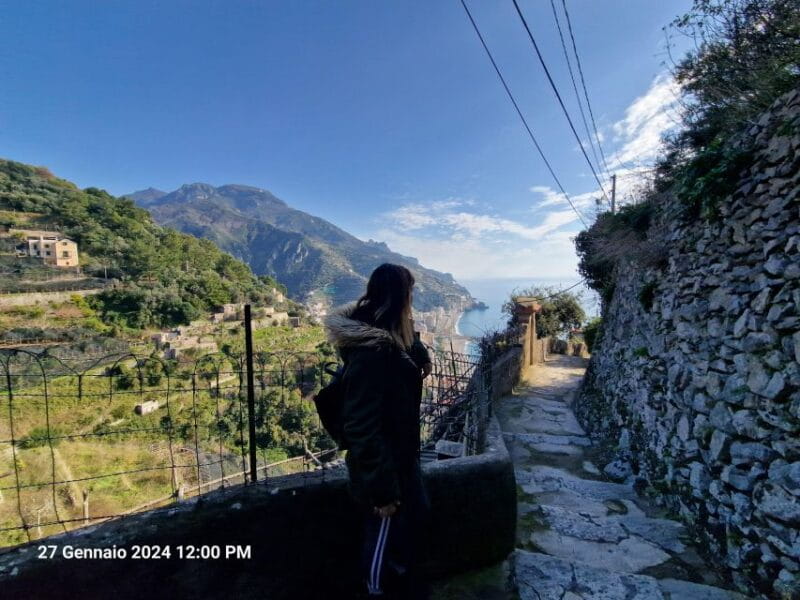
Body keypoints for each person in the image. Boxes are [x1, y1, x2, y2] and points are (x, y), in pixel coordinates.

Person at [324, 263, 433, 599]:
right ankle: (376, 592)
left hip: (401, 458)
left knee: (414, 524)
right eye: (410, 295)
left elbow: (409, 355)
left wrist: (415, 343)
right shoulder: (373, 354)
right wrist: (383, 492)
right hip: (383, 469)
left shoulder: (388, 337)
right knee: (383, 539)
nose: (412, 302)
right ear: (402, 298)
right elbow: (361, 426)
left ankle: (404, 587)